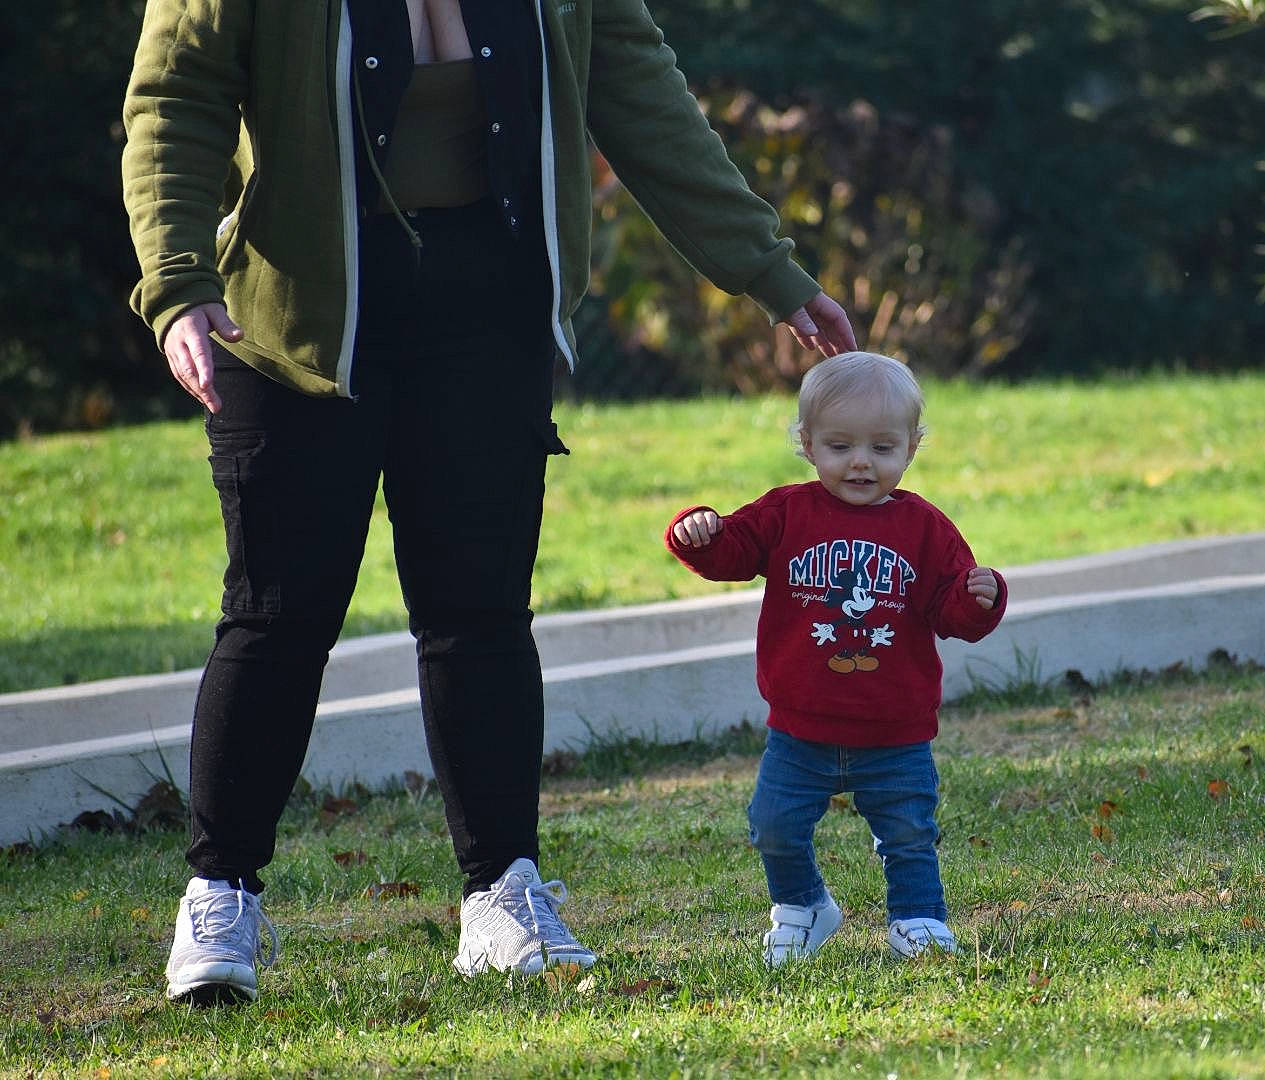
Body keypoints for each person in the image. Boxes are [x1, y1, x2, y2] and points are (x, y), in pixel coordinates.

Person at [122, 0, 857, 1005]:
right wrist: (177, 283)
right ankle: (220, 897)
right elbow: (175, 96)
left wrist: (767, 271)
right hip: (293, 319)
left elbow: (638, 90)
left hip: (489, 301)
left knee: (481, 613)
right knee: (279, 614)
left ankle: (503, 895)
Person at [664, 352, 1005, 965]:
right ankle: (803, 907)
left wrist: (979, 599)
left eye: (882, 447)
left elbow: (950, 611)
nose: (860, 462)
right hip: (800, 731)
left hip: (895, 731)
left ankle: (918, 919)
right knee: (773, 825)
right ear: (807, 444)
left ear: (912, 447)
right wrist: (701, 533)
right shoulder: (786, 513)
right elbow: (732, 552)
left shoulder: (925, 528)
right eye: (840, 446)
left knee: (908, 833)